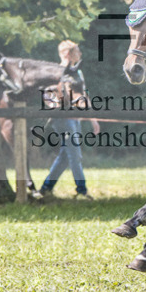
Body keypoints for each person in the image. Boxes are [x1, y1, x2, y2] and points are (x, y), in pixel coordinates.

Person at [38, 41, 100, 200]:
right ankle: (82, 190)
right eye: (77, 51)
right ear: (67, 54)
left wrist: (93, 119)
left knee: (66, 155)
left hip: (75, 119)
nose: (80, 54)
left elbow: (84, 95)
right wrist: (54, 105)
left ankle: (46, 188)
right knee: (75, 155)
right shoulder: (54, 72)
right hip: (62, 120)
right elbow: (47, 95)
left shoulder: (78, 73)